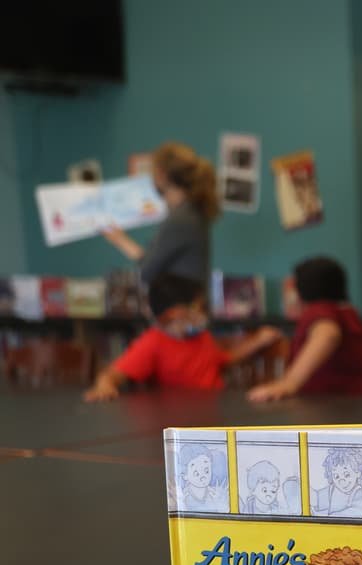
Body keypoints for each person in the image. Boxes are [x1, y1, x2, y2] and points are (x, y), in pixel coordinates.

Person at [83, 273, 281, 401]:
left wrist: (258, 341)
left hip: (214, 409)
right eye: (200, 307)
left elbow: (224, 359)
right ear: (175, 313)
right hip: (182, 418)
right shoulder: (153, 342)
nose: (204, 313)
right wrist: (104, 386)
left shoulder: (201, 336)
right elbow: (113, 374)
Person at [247, 257, 362, 401]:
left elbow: (328, 335)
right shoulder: (348, 313)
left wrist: (288, 383)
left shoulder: (320, 310)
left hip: (339, 405)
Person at [103, 142, 218, 285]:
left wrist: (120, 240)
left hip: (179, 303)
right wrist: (119, 239)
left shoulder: (181, 218)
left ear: (161, 175)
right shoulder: (190, 213)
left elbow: (148, 271)